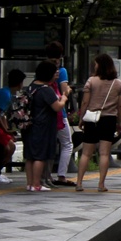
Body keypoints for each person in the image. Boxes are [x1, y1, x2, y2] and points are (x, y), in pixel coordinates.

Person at [75, 54, 121, 193]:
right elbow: (120, 107)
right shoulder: (118, 84)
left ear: (100, 65)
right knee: (104, 154)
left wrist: (81, 118)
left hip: (92, 119)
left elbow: (85, 102)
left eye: (96, 64)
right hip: (109, 120)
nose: (94, 66)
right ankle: (101, 184)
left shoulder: (91, 81)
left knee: (86, 153)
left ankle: (79, 183)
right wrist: (119, 122)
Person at [24, 61, 65, 193]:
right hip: (42, 126)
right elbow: (57, 107)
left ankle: (30, 184)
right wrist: (64, 97)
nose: (56, 75)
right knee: (40, 156)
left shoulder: (31, 86)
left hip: (29, 125)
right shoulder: (46, 90)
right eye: (54, 73)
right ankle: (37, 184)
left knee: (30, 156)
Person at [44, 42, 75, 187]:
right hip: (59, 113)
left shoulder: (42, 68)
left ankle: (46, 176)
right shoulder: (61, 71)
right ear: (61, 55)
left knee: (48, 145)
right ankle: (61, 175)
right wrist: (69, 89)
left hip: (44, 113)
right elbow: (64, 91)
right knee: (67, 144)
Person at [0, 69, 25, 184]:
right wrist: (5, 129)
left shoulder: (5, 92)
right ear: (20, 83)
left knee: (10, 146)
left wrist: (7, 130)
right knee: (8, 147)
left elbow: (1, 114)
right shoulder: (5, 95)